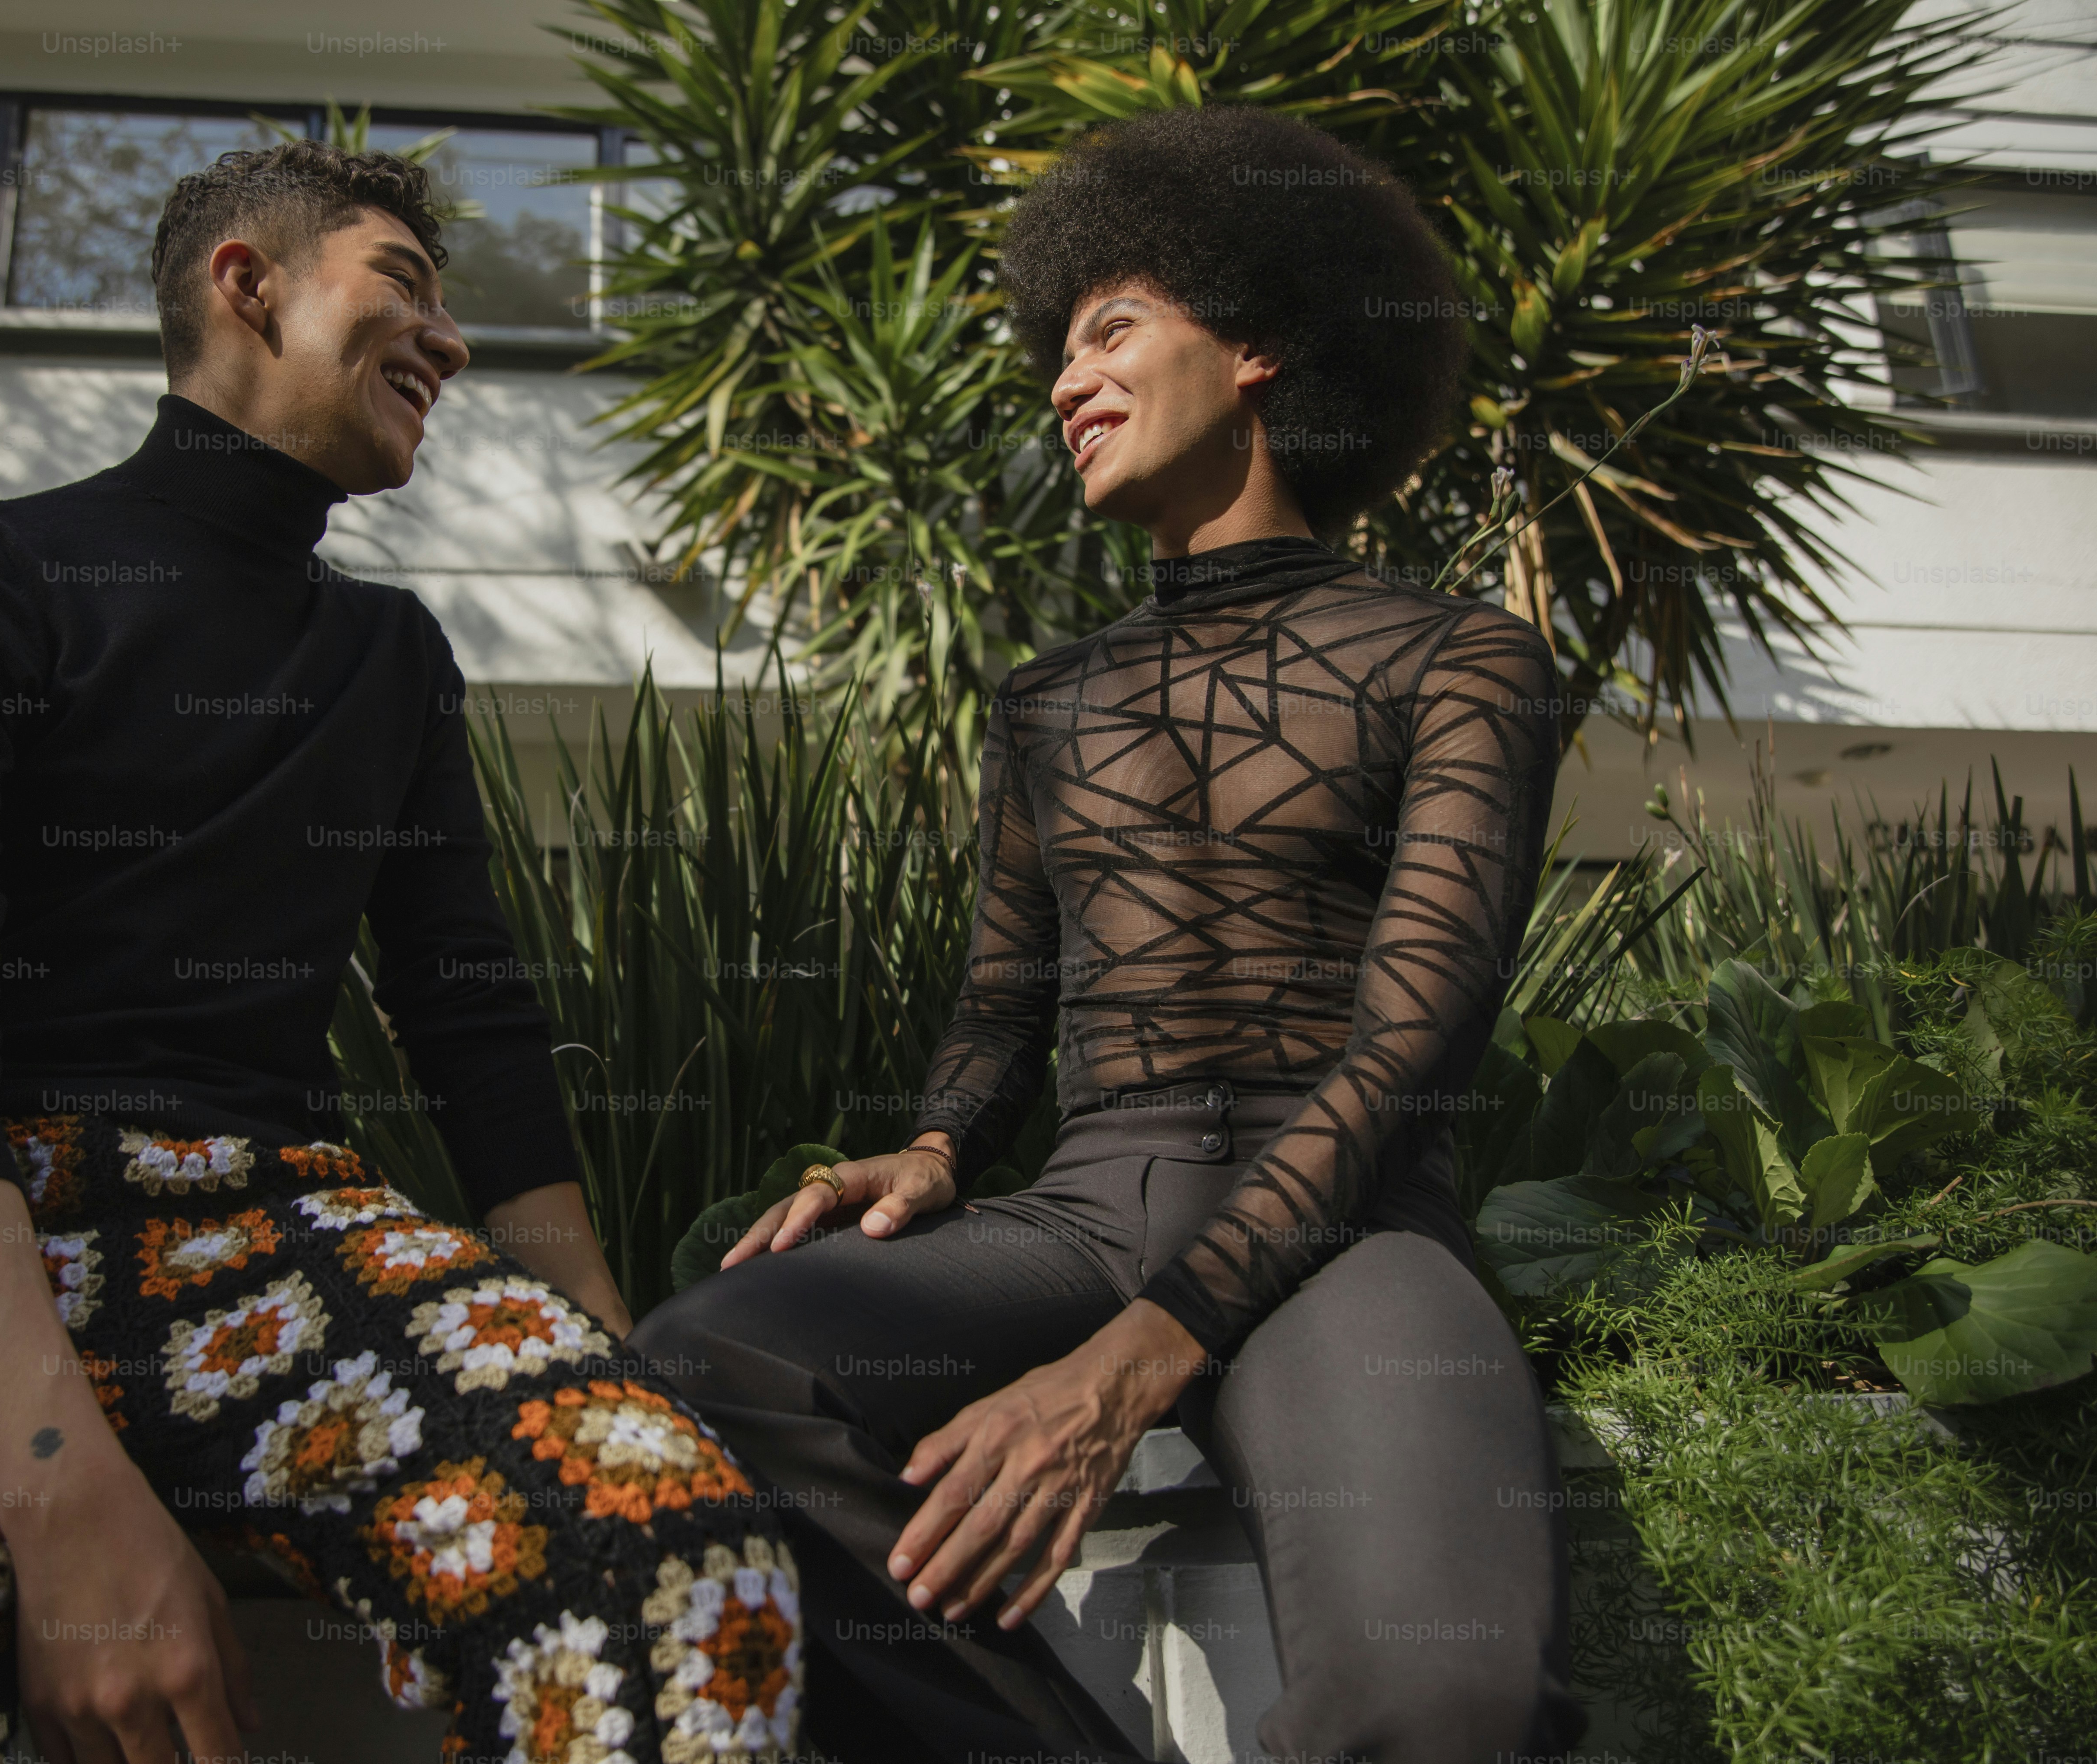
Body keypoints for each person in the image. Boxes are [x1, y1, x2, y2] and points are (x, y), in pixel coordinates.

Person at [0, 142, 801, 1764]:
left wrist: (596, 1336)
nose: (451, 341)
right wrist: (64, 1499)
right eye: (402, 284)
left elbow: (468, 1014)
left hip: (259, 1231)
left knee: (680, 1567)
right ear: (247, 284)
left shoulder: (391, 654)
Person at [630, 105, 1588, 1764]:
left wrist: (1140, 1357)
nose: (1066, 382)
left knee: (1443, 1693)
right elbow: (1006, 998)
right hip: (1080, 1211)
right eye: (1060, 351)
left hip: (1351, 1228)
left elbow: (1414, 1041)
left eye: (1111, 331)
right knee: (694, 1365)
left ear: (1260, 343)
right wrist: (938, 1143)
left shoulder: (1463, 660)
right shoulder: (1048, 700)